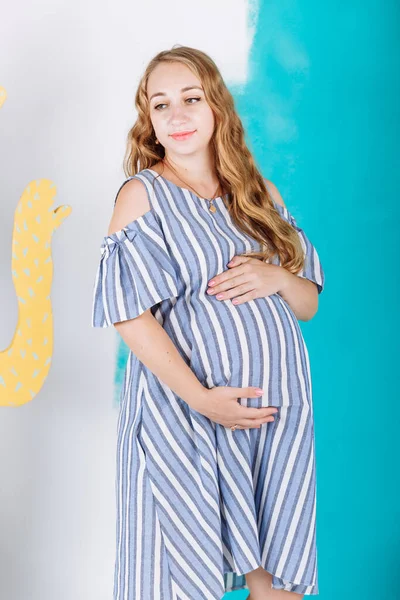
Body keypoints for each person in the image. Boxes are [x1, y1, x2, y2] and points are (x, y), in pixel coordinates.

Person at [91, 45, 325, 600]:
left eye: (191, 99)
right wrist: (202, 398)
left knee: (278, 581)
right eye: (160, 104)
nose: (176, 115)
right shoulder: (142, 197)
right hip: (187, 412)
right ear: (148, 121)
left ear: (216, 105)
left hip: (274, 411)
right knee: (180, 576)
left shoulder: (259, 196)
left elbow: (308, 301)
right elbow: (129, 316)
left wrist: (276, 279)